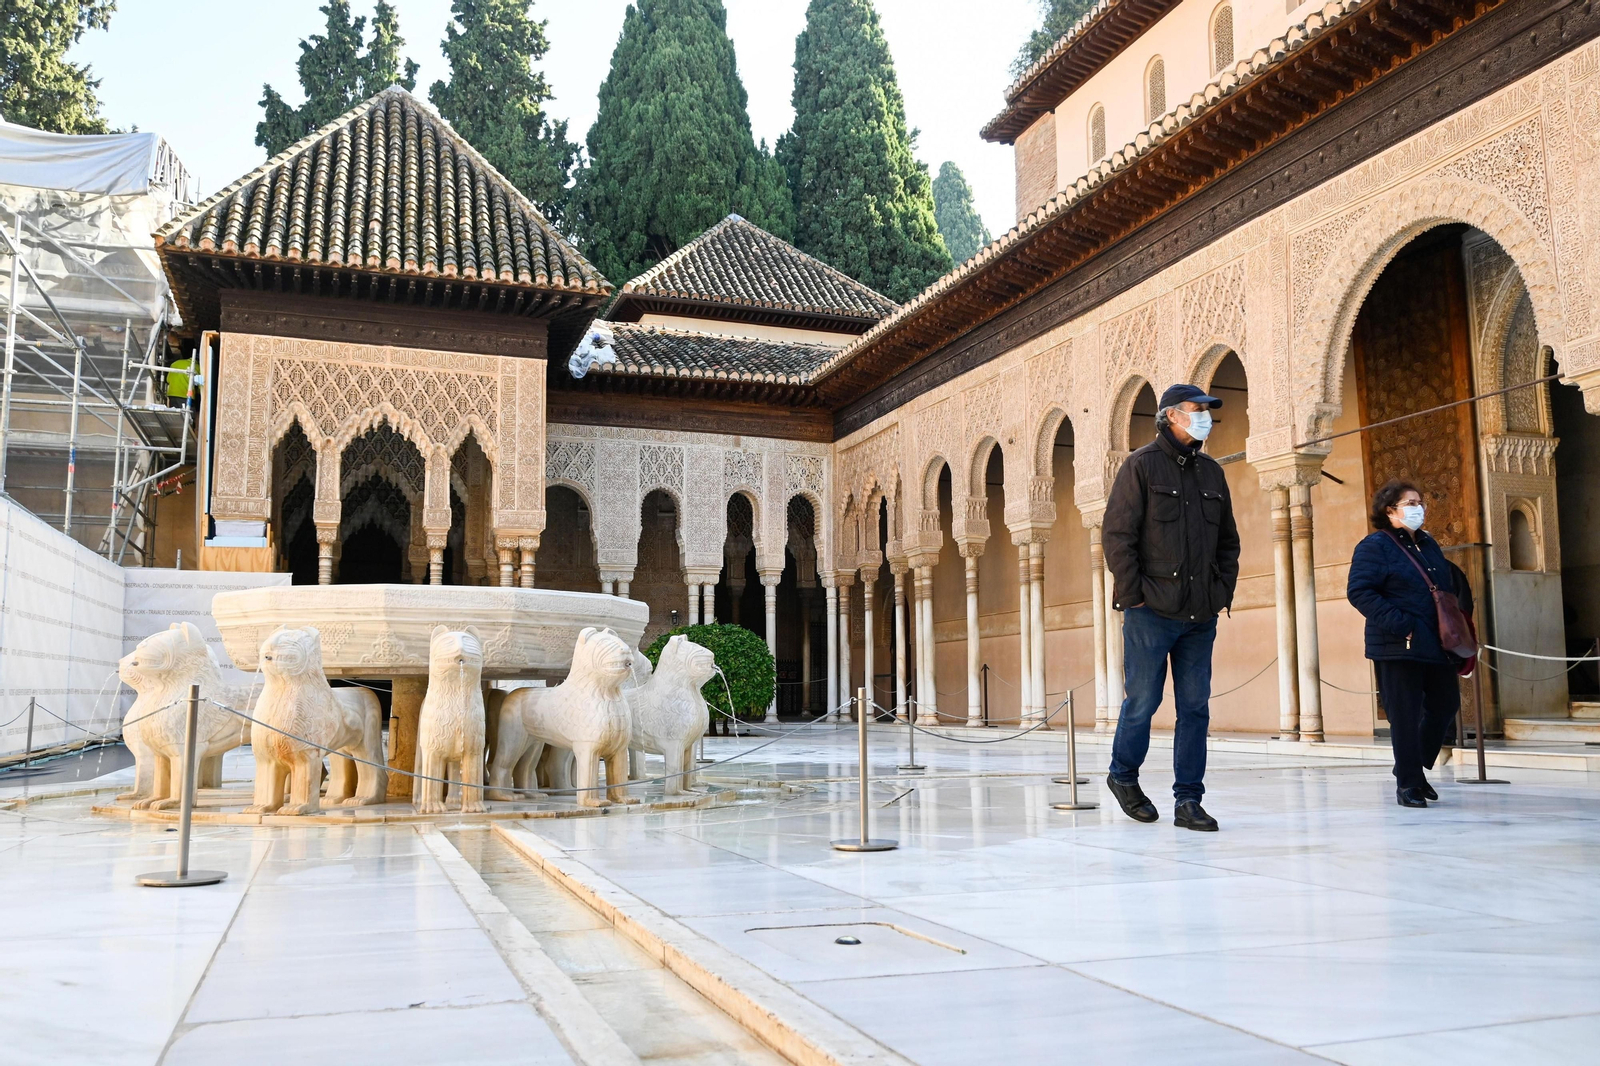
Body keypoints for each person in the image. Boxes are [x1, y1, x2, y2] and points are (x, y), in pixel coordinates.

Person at [1102, 383, 1239, 831]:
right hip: (1150, 612)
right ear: (1171, 417)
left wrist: (1221, 591)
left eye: (1207, 411)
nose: (1205, 418)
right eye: (1196, 410)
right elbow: (1117, 537)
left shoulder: (1212, 474)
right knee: (1143, 701)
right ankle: (1122, 776)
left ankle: (1189, 801)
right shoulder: (1141, 467)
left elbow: (1228, 543)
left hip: (1200, 616)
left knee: (1196, 708)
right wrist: (1134, 595)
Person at [1346, 480, 1474, 808]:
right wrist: (1403, 626)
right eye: (1411, 502)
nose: (1419, 508)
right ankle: (1409, 784)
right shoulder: (1374, 546)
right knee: (1404, 714)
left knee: (1445, 704)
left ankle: (1412, 766)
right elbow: (1360, 592)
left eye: (1420, 502)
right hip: (1397, 643)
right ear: (1391, 510)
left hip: (1435, 642)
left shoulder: (1428, 544)